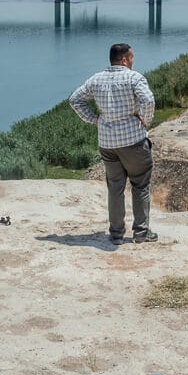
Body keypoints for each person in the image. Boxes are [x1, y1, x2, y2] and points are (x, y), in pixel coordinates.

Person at [69, 43, 157, 245]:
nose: (133, 61)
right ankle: (141, 232)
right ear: (125, 59)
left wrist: (94, 119)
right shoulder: (134, 78)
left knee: (115, 188)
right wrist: (145, 120)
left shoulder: (96, 79)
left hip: (107, 144)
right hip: (133, 142)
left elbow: (74, 100)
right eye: (132, 57)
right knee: (140, 185)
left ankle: (116, 233)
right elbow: (149, 100)